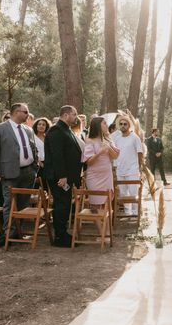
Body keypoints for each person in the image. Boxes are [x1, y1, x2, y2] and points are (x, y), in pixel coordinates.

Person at [0, 103, 38, 247]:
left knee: (23, 204)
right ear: (16, 112)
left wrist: (35, 167)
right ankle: (7, 234)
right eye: (25, 112)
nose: (28, 115)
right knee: (9, 204)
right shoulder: (0, 129)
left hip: (28, 172)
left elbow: (33, 148)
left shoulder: (28, 130)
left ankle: (18, 232)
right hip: (9, 173)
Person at [44, 105, 83, 247]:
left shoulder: (66, 129)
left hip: (67, 176)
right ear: (66, 115)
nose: (76, 117)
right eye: (74, 114)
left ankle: (63, 233)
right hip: (59, 177)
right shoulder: (56, 130)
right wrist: (62, 176)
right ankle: (60, 237)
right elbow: (57, 156)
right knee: (61, 204)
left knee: (65, 204)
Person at [83, 117, 120, 234]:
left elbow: (115, 156)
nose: (106, 125)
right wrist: (100, 152)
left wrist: (108, 148)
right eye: (104, 123)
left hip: (107, 175)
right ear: (98, 125)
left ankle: (107, 231)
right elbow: (89, 162)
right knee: (95, 205)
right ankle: (101, 232)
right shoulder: (89, 140)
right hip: (94, 176)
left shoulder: (108, 139)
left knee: (107, 203)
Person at [111, 115, 143, 215]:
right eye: (121, 124)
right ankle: (127, 212)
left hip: (132, 170)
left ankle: (135, 214)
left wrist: (139, 168)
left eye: (125, 124)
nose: (123, 126)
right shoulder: (117, 138)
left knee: (133, 193)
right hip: (120, 170)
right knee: (123, 193)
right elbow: (114, 153)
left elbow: (140, 153)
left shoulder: (135, 137)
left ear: (129, 125)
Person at [32, 117, 51, 183]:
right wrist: (39, 163)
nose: (41, 126)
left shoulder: (48, 138)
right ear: (36, 126)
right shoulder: (32, 137)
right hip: (36, 164)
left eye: (43, 125)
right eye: (39, 124)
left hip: (47, 164)